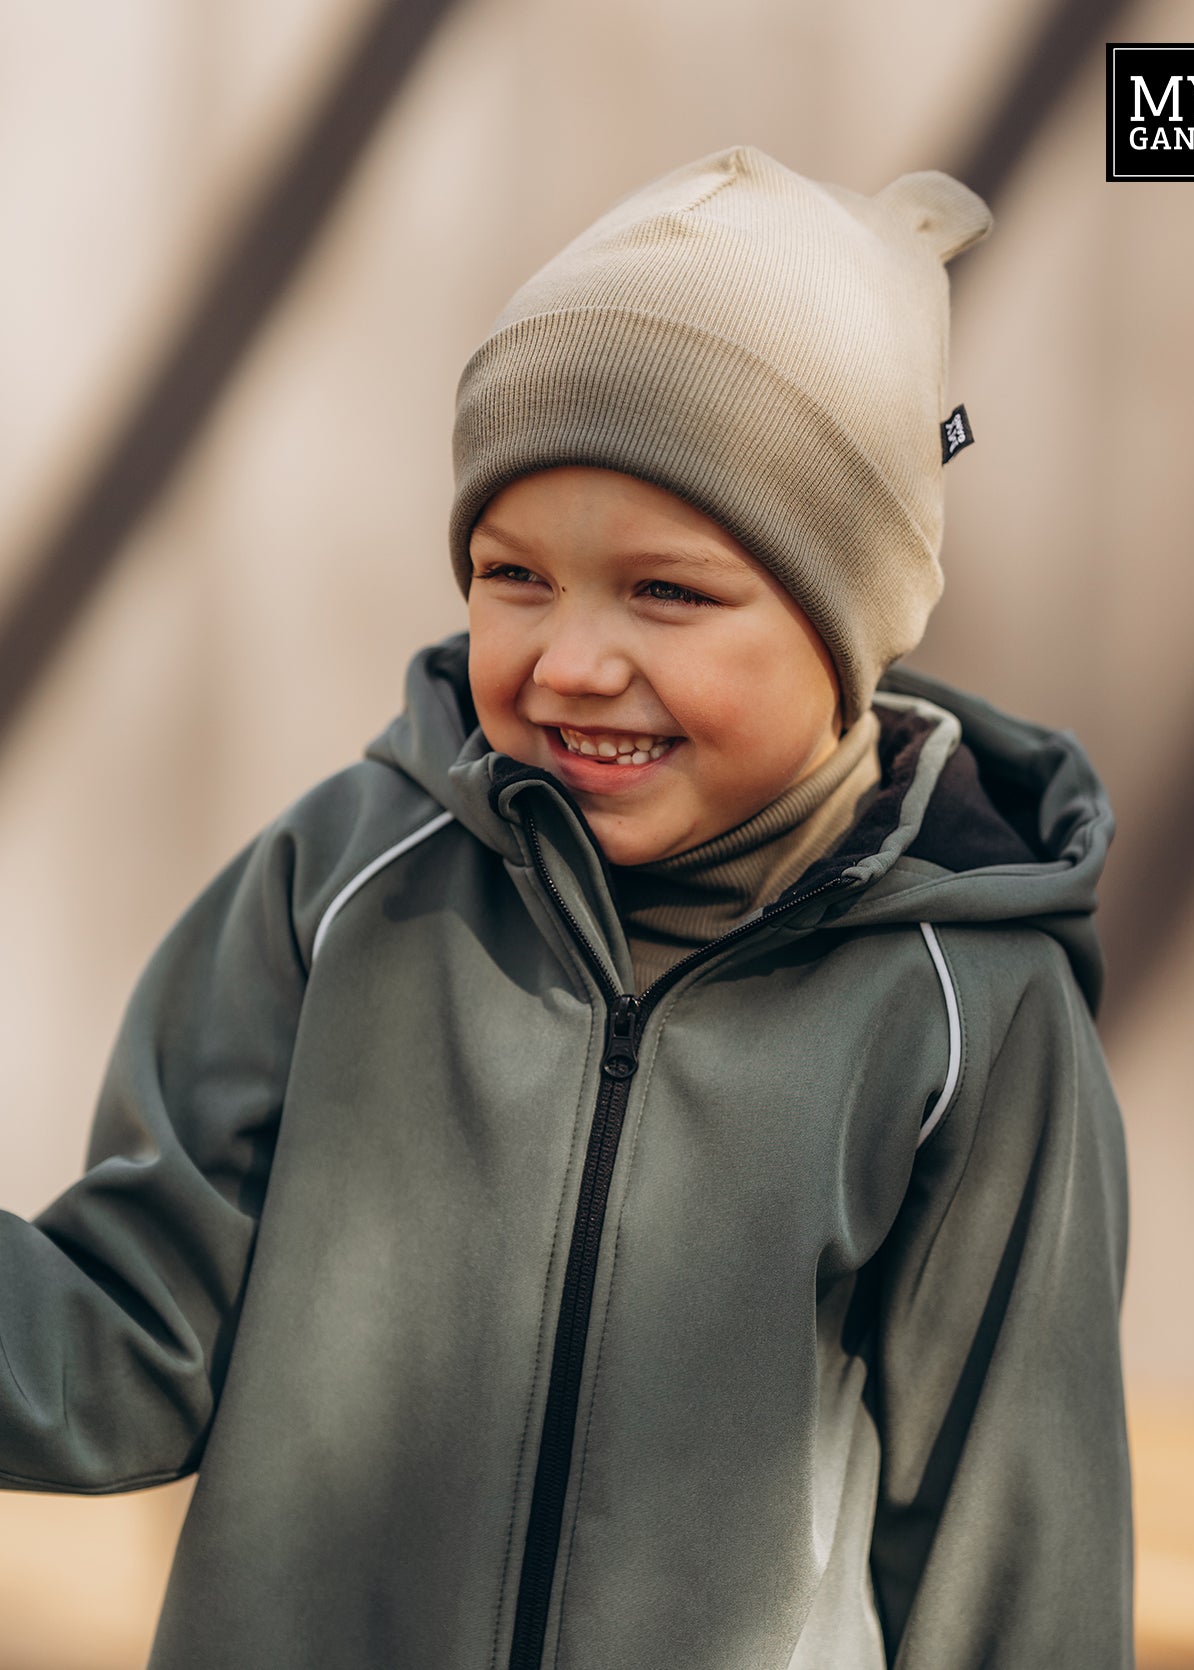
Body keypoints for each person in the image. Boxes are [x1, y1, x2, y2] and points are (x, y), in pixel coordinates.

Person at [0, 145, 1133, 1668]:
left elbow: (1022, 1559)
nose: (570, 658)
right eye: (511, 574)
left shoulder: (964, 1012)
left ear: (847, 616)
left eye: (667, 591)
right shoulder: (345, 889)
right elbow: (125, 1337)